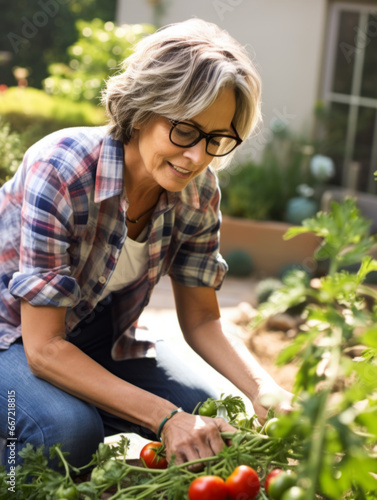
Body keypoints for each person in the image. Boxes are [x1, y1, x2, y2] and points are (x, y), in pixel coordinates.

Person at [0, 18, 292, 471]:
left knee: (214, 416)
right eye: (185, 130)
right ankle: (16, 465)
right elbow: (43, 347)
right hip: (13, 335)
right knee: (67, 430)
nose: (196, 157)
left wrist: (262, 388)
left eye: (217, 139)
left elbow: (201, 318)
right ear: (142, 108)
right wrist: (163, 416)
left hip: (99, 333)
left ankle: (81, 403)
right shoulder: (60, 169)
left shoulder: (199, 192)